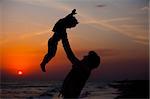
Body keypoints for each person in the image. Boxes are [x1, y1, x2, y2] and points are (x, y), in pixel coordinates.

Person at [59, 32, 101, 98]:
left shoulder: (83, 70)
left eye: (86, 58)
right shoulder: (84, 70)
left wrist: (64, 38)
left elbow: (70, 55)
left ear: (89, 62)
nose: (83, 58)